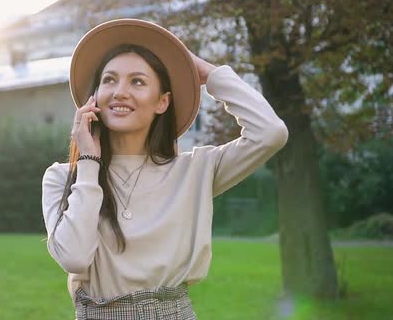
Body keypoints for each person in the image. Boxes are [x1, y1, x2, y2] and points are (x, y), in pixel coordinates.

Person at [41, 18, 288, 319]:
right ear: (94, 98)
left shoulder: (196, 170)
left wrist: (210, 74)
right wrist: (89, 162)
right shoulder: (62, 177)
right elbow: (75, 258)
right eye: (109, 80)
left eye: (137, 81)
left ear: (162, 102)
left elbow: (270, 132)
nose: (120, 91)